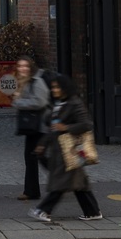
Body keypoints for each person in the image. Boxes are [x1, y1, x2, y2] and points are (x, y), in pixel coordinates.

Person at [32, 73, 104, 222]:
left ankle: (43, 210)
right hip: (62, 151)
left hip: (69, 151)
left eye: (57, 87)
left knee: (60, 181)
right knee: (79, 184)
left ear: (65, 87)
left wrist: (66, 127)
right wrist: (43, 144)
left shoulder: (74, 103)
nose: (54, 90)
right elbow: (53, 128)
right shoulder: (58, 104)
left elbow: (86, 124)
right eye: (53, 87)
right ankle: (92, 211)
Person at [10, 57, 51, 200]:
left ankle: (64, 179)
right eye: (20, 66)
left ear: (31, 67)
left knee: (37, 157)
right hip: (33, 126)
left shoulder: (36, 81)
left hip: (40, 126)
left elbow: (40, 102)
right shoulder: (26, 81)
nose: (22, 69)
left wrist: (19, 102)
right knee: (35, 157)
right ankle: (32, 190)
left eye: (25, 66)